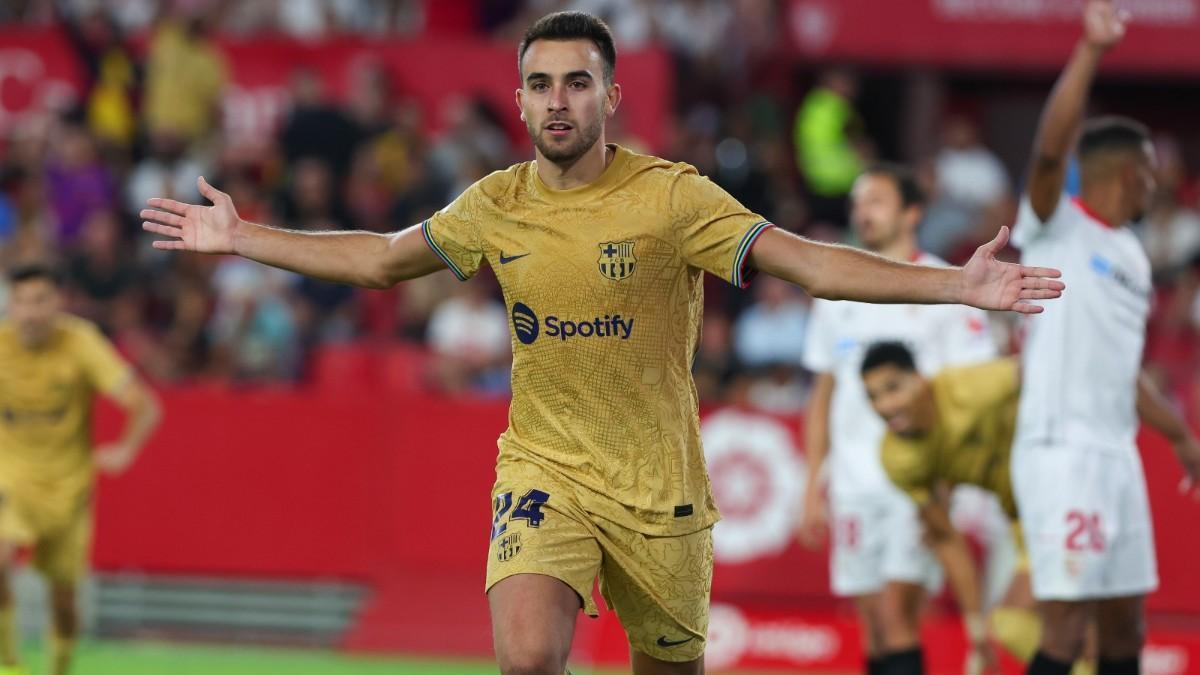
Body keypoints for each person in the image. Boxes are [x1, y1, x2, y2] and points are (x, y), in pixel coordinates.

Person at [140, 12, 1063, 675]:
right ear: (518, 98)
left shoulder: (672, 197)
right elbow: (383, 261)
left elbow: (809, 264)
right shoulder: (495, 202)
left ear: (611, 95)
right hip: (542, 469)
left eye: (576, 82)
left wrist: (956, 285)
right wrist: (245, 236)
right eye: (540, 83)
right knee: (530, 659)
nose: (557, 101)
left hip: (660, 487)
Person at [1010, 3, 1200, 674]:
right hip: (1061, 452)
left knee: (1126, 624)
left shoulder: (1132, 255)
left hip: (1115, 453)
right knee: (1064, 627)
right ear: (1130, 172)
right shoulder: (1055, 225)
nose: (1159, 181)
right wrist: (1090, 49)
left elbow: (1126, 370)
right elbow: (1050, 149)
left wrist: (1178, 434)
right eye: (1152, 169)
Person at [798, 163, 999, 675]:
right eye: (858, 203)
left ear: (913, 212)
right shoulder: (834, 289)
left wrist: (948, 483)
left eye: (877, 201)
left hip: (915, 480)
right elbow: (822, 395)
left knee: (896, 615)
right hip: (852, 484)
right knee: (872, 622)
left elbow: (970, 396)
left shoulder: (949, 288)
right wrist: (812, 484)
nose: (862, 212)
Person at [860, 341, 1101, 675]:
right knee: (1035, 628)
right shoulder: (898, 459)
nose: (885, 405)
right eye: (873, 396)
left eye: (893, 388)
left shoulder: (969, 388)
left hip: (1069, 497)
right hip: (1025, 520)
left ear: (919, 378)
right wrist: (975, 630)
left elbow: (1048, 370)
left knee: (1035, 624)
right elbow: (946, 540)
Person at [0, 264, 162, 675]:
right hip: (10, 476)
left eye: (40, 301)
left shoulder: (80, 343)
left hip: (68, 485)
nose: (30, 312)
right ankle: (9, 663)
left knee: (64, 600)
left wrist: (125, 450)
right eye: (21, 302)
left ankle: (59, 668)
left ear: (58, 302)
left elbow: (144, 405)